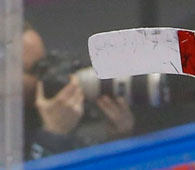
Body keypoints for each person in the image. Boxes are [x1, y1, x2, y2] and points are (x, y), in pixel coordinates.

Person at [22, 22, 135, 160]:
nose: (44, 77)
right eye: (35, 69)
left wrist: (118, 138)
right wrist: (53, 133)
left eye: (45, 63)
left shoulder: (51, 111)